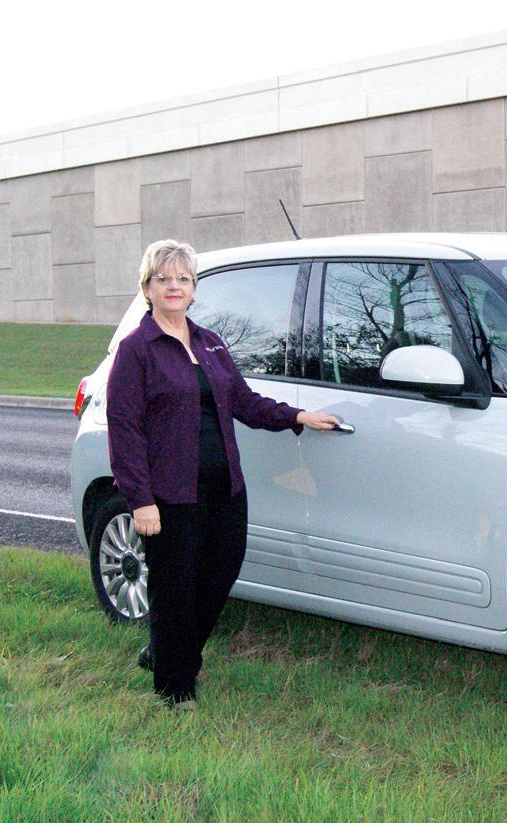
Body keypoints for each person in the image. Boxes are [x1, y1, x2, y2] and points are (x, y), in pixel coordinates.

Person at [106, 239, 338, 710]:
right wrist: (141, 500)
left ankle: (167, 652)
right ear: (147, 288)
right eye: (163, 279)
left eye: (183, 279)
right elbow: (124, 430)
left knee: (220, 572)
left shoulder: (209, 342)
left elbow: (244, 402)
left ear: (194, 288)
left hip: (224, 486)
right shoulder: (137, 350)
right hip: (171, 494)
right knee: (174, 589)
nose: (174, 286)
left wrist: (296, 416)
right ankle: (176, 689)